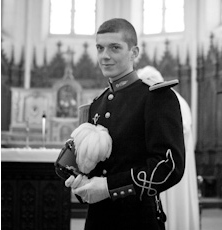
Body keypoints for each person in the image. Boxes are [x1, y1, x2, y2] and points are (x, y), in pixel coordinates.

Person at [63, 18, 185, 230]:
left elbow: (169, 165)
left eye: (115, 48)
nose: (105, 56)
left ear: (134, 53)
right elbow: (93, 164)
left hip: (138, 219)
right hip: (98, 220)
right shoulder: (96, 105)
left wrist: (110, 187)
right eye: (100, 48)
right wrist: (81, 181)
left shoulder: (155, 98)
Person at [137, 66, 199, 230]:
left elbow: (182, 129)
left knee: (172, 202)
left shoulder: (166, 98)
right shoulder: (173, 98)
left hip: (170, 163)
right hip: (166, 161)